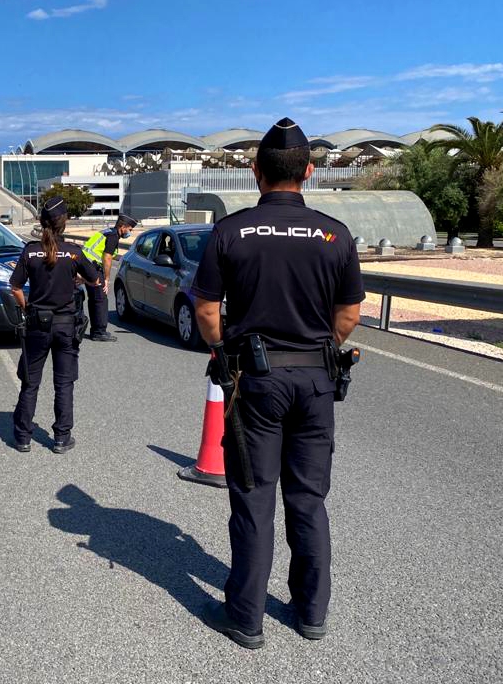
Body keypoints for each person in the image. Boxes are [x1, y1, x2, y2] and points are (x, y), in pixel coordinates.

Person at [190, 118, 364, 650]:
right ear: (309, 172)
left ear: (255, 170)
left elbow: (206, 309)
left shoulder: (231, 231)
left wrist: (222, 350)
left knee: (254, 498)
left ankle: (246, 618)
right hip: (315, 380)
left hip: (256, 380)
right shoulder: (335, 234)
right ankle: (311, 613)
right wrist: (318, 349)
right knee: (308, 500)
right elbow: (349, 315)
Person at [10, 196, 100, 454]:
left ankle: (23, 437)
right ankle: (61, 437)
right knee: (64, 384)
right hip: (65, 326)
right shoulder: (73, 252)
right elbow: (94, 280)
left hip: (37, 323)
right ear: (64, 222)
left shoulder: (30, 251)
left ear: (42, 222)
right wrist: (78, 280)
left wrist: (27, 307)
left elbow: (15, 286)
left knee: (30, 383)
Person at [81, 213, 138, 342]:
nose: (130, 232)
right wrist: (107, 279)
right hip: (92, 267)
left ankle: (96, 330)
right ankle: (99, 331)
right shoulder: (113, 236)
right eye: (130, 229)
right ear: (122, 227)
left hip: (85, 265)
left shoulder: (108, 232)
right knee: (100, 299)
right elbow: (107, 257)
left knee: (95, 299)